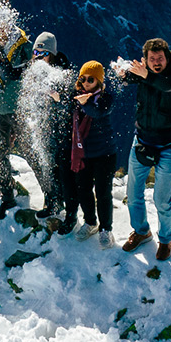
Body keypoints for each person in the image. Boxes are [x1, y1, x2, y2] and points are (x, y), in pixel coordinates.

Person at [120, 37, 171, 260]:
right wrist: (122, 71)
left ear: (167, 58)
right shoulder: (145, 73)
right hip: (142, 141)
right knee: (133, 193)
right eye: (151, 59)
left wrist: (145, 74)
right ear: (145, 60)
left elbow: (167, 85)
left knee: (161, 198)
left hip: (168, 146)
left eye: (160, 58)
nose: (156, 62)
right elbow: (131, 77)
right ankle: (141, 231)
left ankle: (166, 240)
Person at [0, 20, 32, 219]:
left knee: (31, 152)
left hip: (19, 108)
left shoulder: (24, 44)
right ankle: (7, 197)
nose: (0, 30)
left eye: (4, 26)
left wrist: (17, 74)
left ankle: (52, 197)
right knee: (0, 154)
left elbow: (34, 70)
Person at [61, 60, 116, 246]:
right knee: (83, 189)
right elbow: (66, 111)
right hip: (83, 153)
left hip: (104, 154)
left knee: (103, 192)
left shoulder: (106, 97)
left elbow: (97, 112)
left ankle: (106, 228)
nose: (86, 83)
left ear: (99, 81)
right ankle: (91, 222)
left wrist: (85, 104)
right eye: (82, 79)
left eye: (91, 80)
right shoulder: (77, 97)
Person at [30, 31, 72, 219]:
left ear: (52, 53)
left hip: (60, 129)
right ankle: (52, 201)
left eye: (43, 53)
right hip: (43, 126)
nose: (39, 57)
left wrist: (58, 98)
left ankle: (62, 204)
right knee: (46, 164)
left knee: (59, 167)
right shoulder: (35, 70)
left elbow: (72, 101)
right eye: (36, 53)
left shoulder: (63, 72)